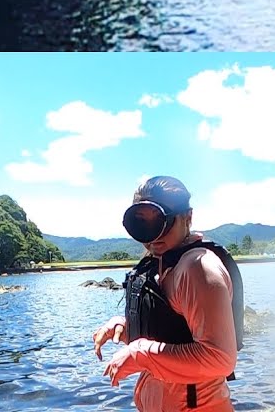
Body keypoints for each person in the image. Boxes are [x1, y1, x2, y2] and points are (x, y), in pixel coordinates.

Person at [92, 176, 244, 411]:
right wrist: (126, 327)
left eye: (162, 222)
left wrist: (140, 353)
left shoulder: (198, 268)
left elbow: (220, 359)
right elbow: (172, 329)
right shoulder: (162, 262)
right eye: (142, 225)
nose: (154, 237)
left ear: (188, 218)